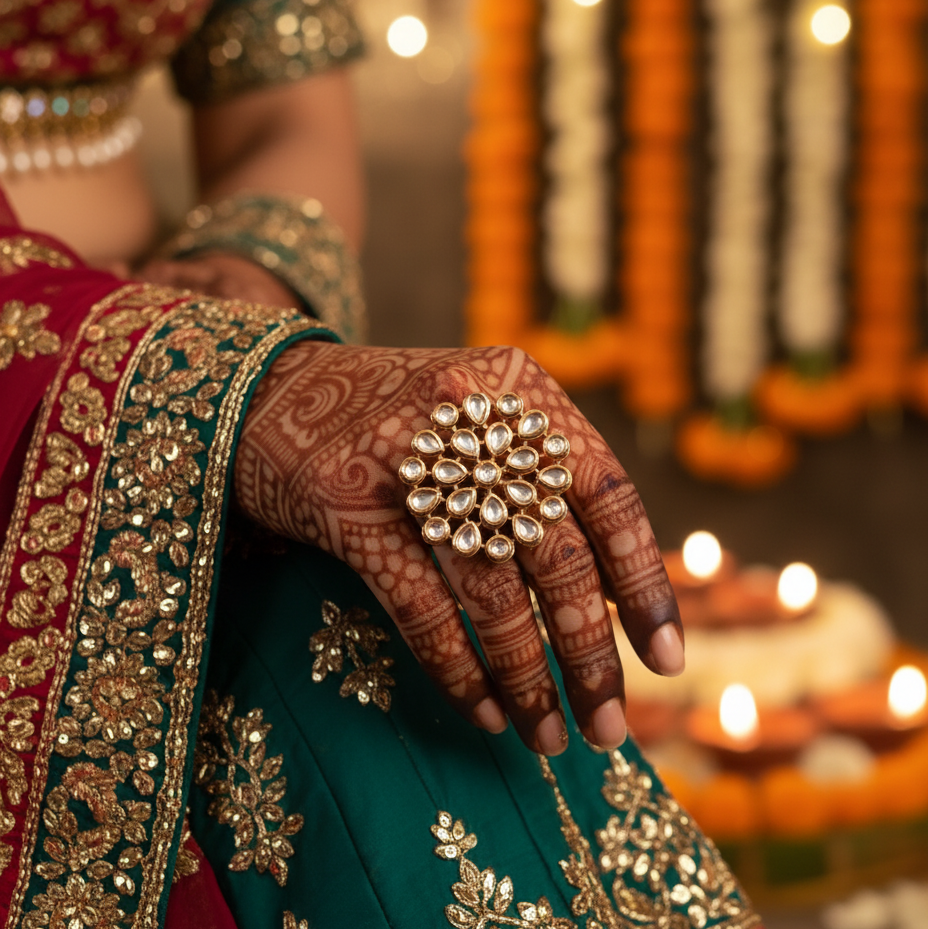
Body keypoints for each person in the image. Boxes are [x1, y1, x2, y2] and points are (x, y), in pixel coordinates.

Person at [0, 2, 761, 927]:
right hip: (52, 398)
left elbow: (285, 118)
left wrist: (237, 304)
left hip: (165, 340)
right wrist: (206, 375)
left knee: (384, 570)